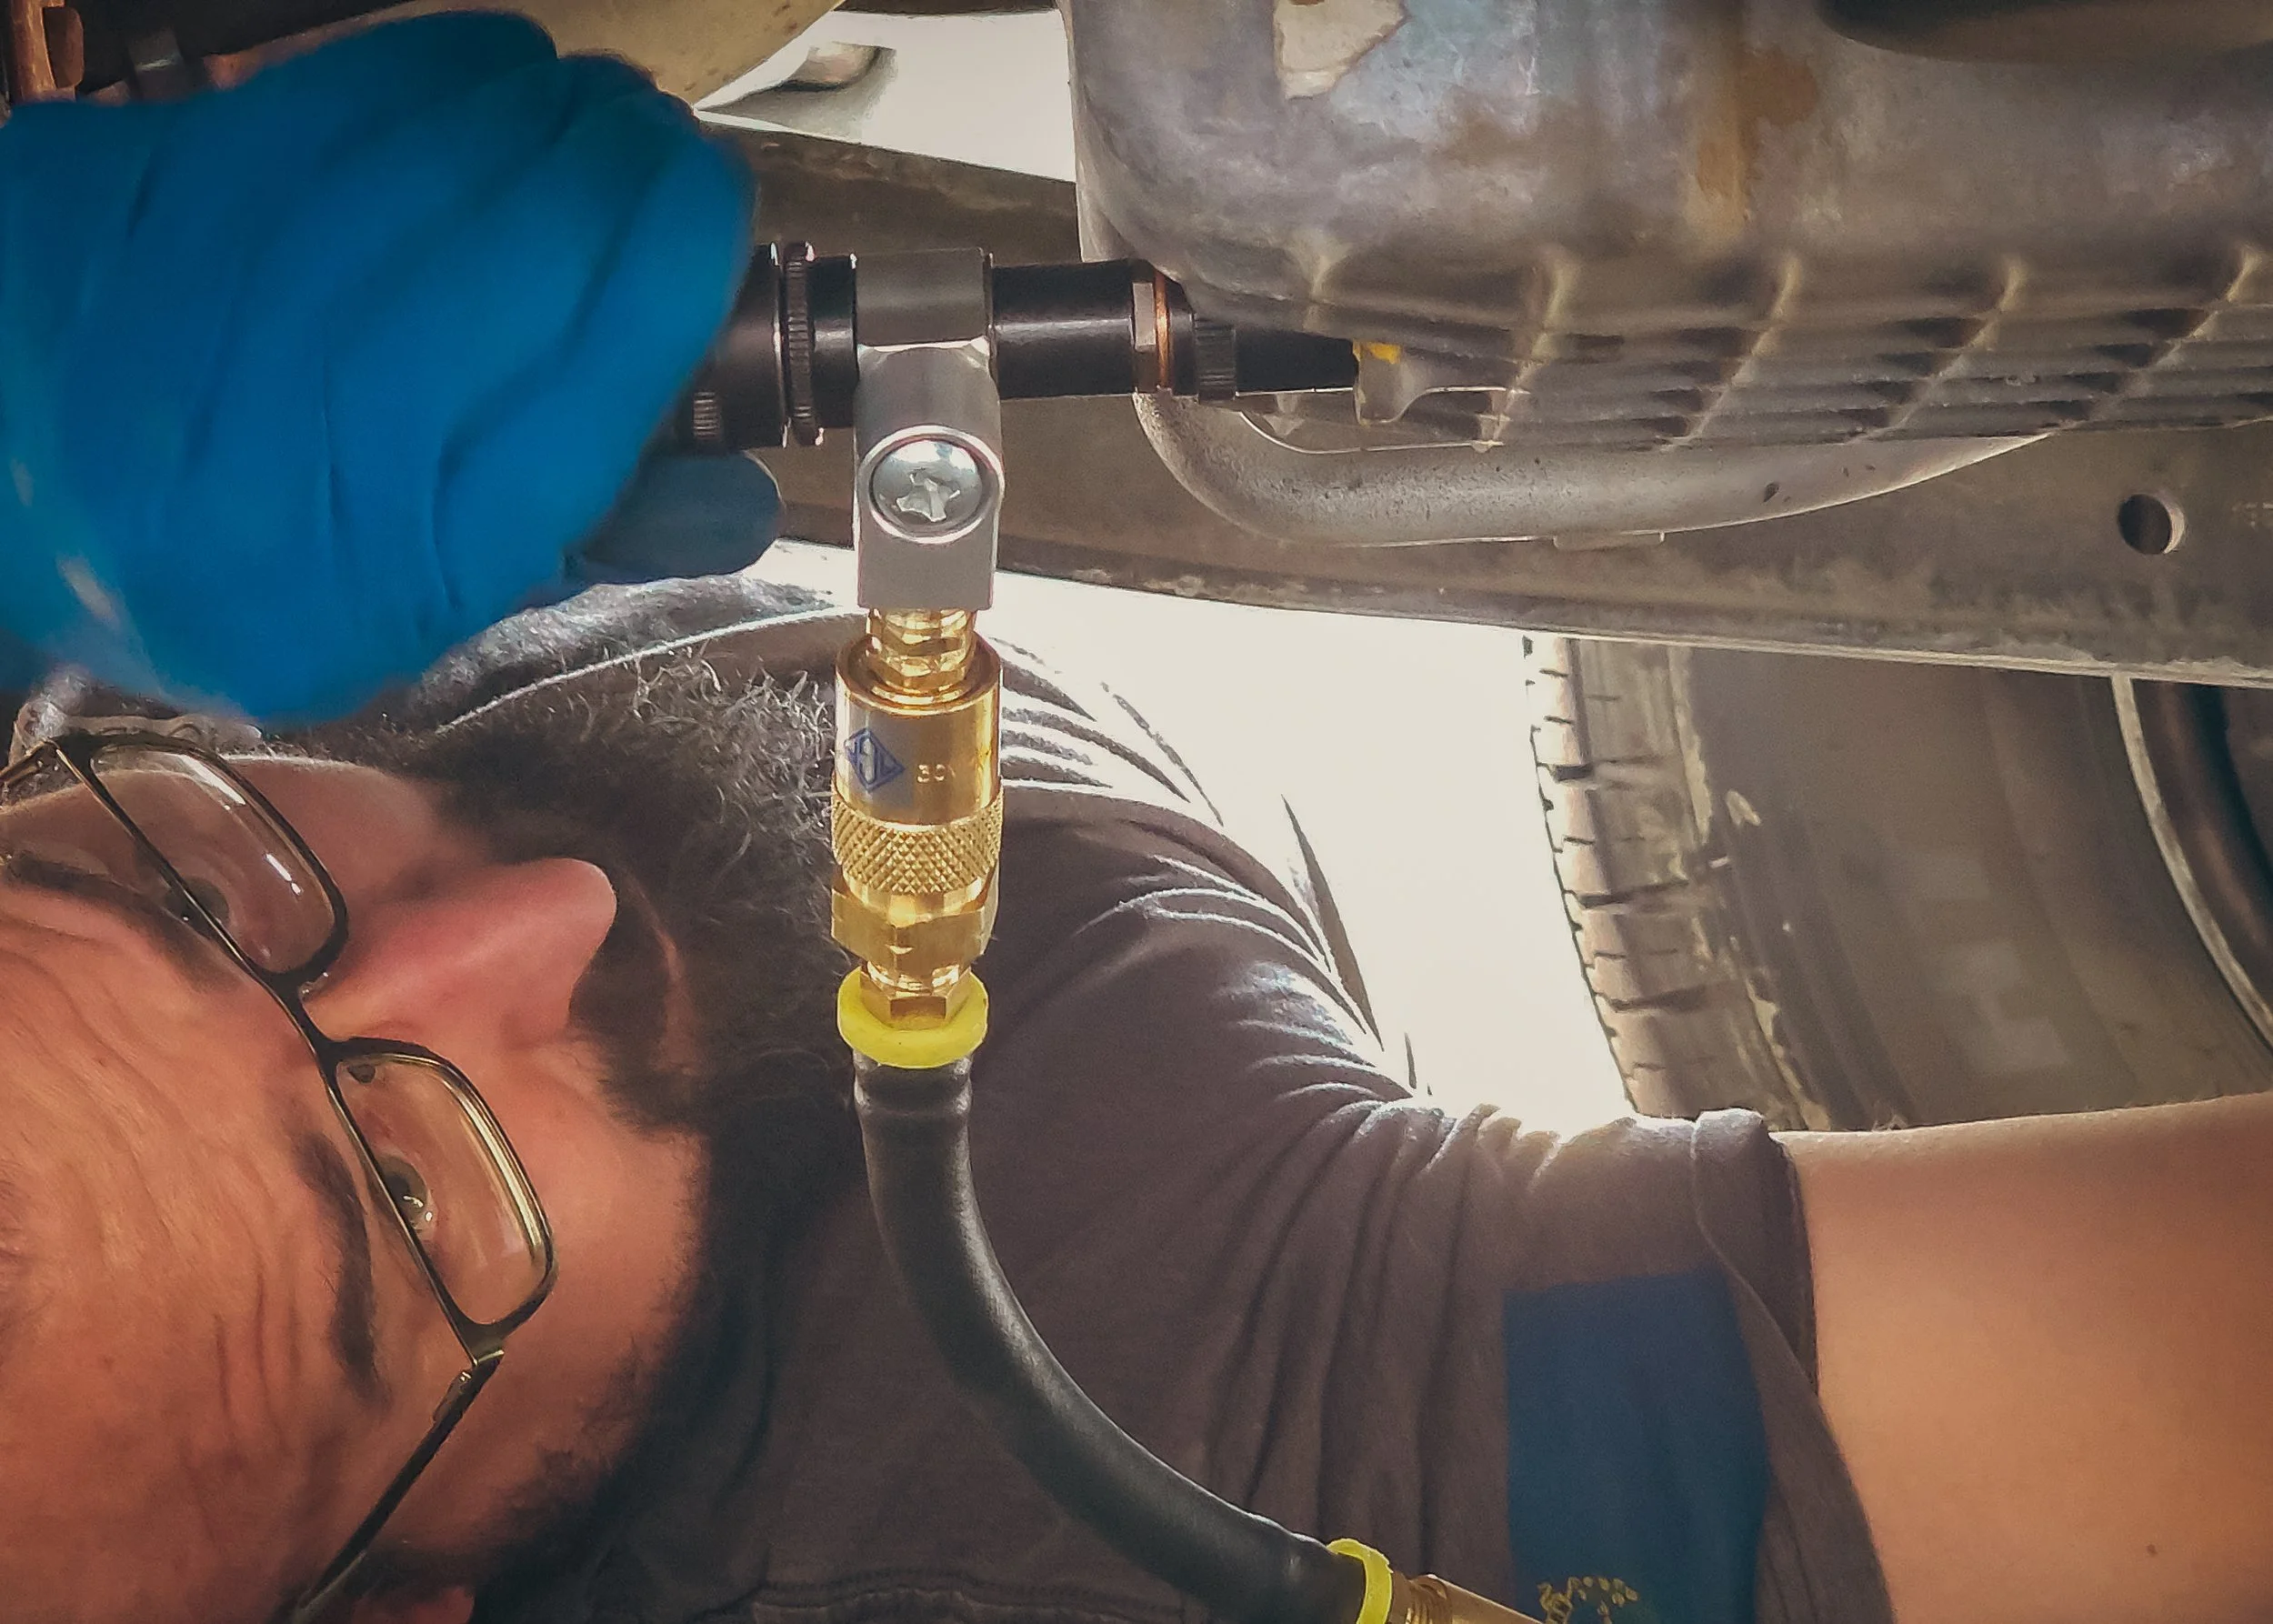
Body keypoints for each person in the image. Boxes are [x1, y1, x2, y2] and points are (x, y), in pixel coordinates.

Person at [3, 17, 2270, 1624]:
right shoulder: (1151, 1435)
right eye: (405, 1191)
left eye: (203, 893)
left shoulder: (110, 569)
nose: (532, 917)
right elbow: (2195, 1372)